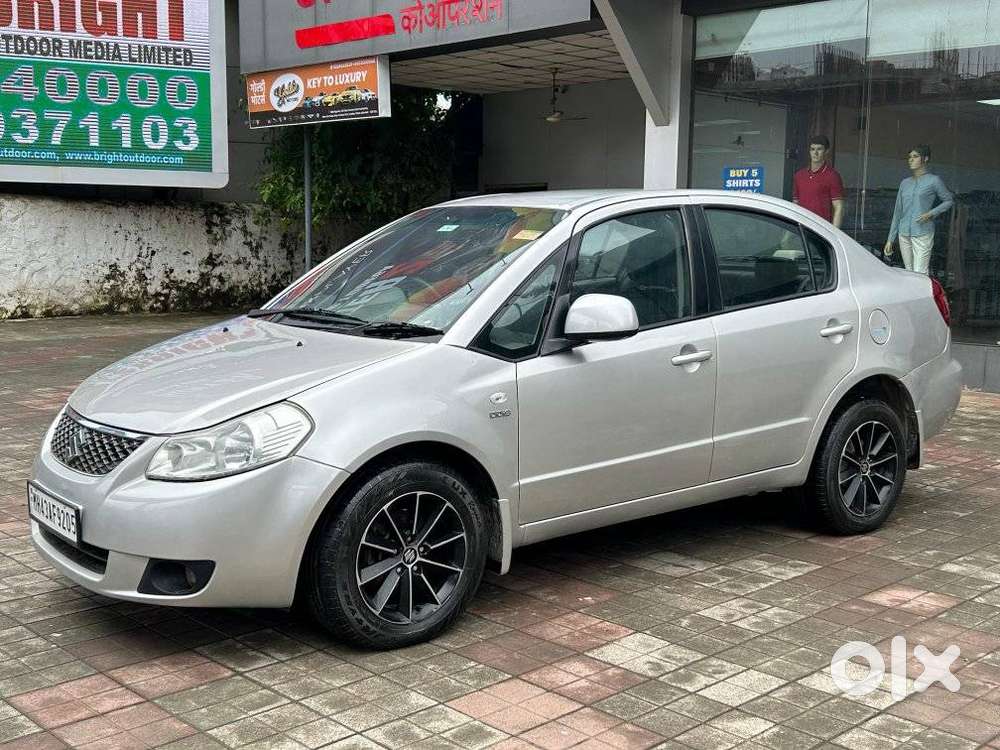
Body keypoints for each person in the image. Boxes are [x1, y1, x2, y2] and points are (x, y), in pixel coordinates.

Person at [884, 145, 954, 274]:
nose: (911, 160)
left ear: (925, 159)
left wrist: (931, 213)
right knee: (909, 272)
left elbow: (949, 200)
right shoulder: (905, 183)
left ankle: (925, 294)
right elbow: (898, 211)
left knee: (920, 272)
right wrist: (890, 239)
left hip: (923, 232)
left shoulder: (934, 181)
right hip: (903, 233)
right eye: (910, 157)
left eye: (915, 156)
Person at [793, 135, 845, 228]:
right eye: (812, 149)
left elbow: (839, 207)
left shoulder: (832, 176)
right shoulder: (799, 176)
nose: (815, 153)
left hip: (821, 231)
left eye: (819, 149)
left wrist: (834, 235)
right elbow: (795, 206)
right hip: (801, 229)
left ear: (826, 151)